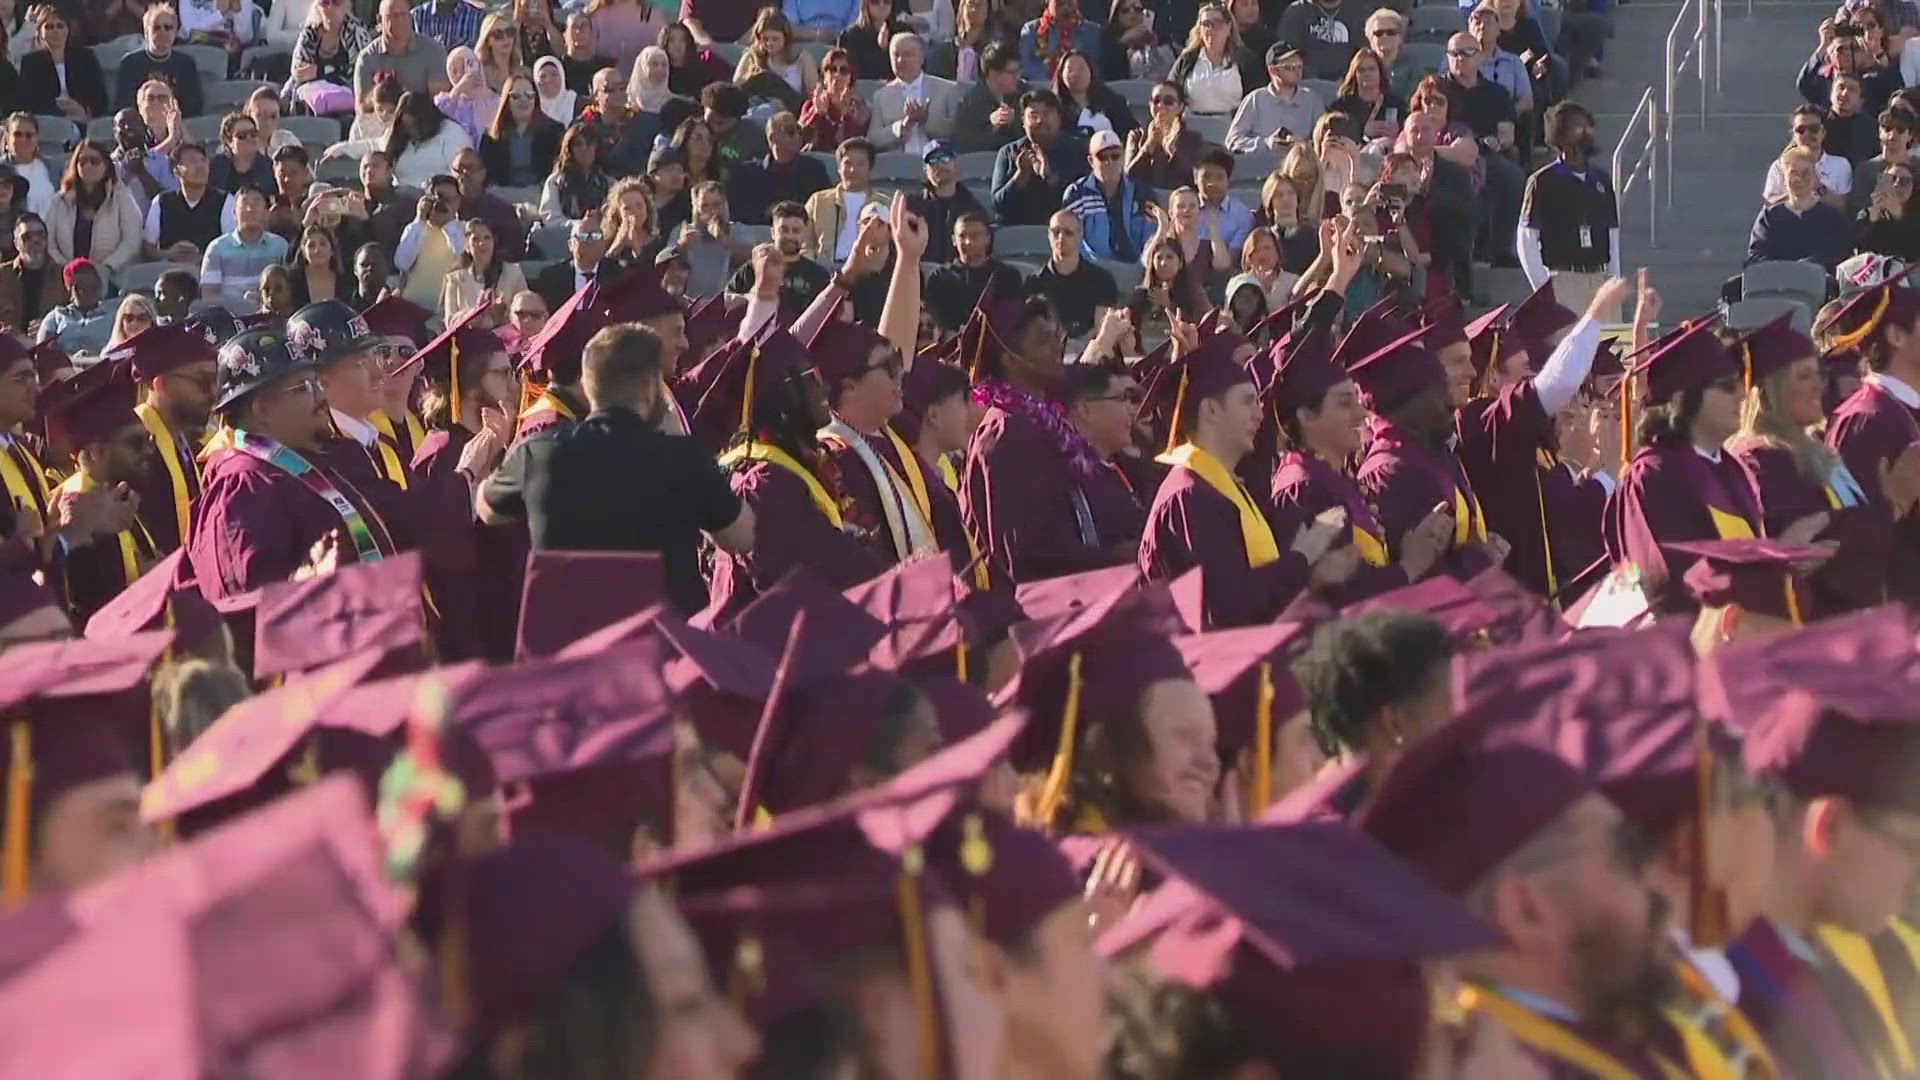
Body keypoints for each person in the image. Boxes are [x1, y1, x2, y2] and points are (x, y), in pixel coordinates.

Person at [480, 323, 749, 616]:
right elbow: (741, 537)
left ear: (588, 385)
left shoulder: (539, 452)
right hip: (657, 643)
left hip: (571, 644)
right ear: (649, 388)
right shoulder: (685, 458)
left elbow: (488, 508)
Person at [1138, 324, 1349, 628]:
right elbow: (1229, 608)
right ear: (1211, 410)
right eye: (1248, 401)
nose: (1260, 415)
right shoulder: (1190, 496)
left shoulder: (1221, 486)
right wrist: (1302, 555)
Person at [186, 324, 407, 599]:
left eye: (317, 383)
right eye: (303, 388)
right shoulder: (244, 488)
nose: (322, 397)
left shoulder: (308, 467)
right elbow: (251, 604)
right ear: (261, 408)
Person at [962, 292, 1143, 583]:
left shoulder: (1047, 423)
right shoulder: (1008, 435)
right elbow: (1027, 554)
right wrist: (1118, 558)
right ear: (1010, 358)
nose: (1058, 345)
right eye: (1042, 340)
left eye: (1055, 334)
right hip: (1034, 613)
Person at [48, 370, 156, 623]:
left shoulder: (115, 495)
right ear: (96, 452)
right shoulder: (74, 510)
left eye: (149, 441)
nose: (149, 451)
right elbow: (91, 609)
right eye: (136, 444)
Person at [1518, 102, 1621, 319]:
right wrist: (1543, 288)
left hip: (1599, 279)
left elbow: (1612, 234)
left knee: (1609, 350)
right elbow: (1526, 238)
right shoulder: (1542, 181)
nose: (1585, 132)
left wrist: (1613, 279)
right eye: (1577, 127)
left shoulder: (1600, 179)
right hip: (1563, 280)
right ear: (1560, 134)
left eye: (1587, 126)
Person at [1439, 33, 1523, 267]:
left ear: (1479, 57)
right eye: (1454, 53)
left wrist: (1497, 142)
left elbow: (1507, 134)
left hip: (1485, 153)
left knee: (1511, 176)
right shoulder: (1436, 90)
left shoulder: (1496, 93)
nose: (1459, 59)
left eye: (1466, 52)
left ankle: (1503, 248)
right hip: (1445, 154)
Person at [46, 142, 142, 283]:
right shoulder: (59, 201)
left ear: (107, 165)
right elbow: (49, 242)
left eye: (94, 161)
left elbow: (131, 241)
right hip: (66, 277)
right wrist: (66, 267)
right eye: (82, 161)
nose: (88, 166)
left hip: (111, 278)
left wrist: (106, 267)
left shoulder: (122, 198)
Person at [1747, 146, 1855, 271]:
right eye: (1793, 173)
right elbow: (1756, 255)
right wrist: (1783, 269)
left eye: (1806, 173)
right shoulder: (1769, 217)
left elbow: (1837, 255)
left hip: (1819, 286)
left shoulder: (1831, 218)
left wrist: (1803, 268)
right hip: (1776, 284)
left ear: (1816, 176)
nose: (1799, 179)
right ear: (1784, 178)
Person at [992, 89, 1088, 227]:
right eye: (1033, 115)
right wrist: (1020, 177)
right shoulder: (1008, 153)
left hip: (1063, 232)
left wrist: (1049, 176)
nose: (1040, 120)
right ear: (1023, 121)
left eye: (1046, 113)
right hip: (1017, 233)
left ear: (1058, 118)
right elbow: (998, 205)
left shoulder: (1077, 150)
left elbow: (1081, 201)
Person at [728, 200, 834, 322]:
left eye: (796, 231)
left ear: (804, 234)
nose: (790, 236)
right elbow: (728, 301)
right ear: (773, 233)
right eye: (784, 230)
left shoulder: (818, 275)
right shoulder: (753, 268)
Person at [1063, 129, 1154, 265]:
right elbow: (1073, 242)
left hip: (1137, 270)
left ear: (1123, 156)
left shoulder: (1142, 193)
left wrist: (1139, 267)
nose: (1109, 162)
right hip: (1092, 271)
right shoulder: (1077, 193)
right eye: (1102, 157)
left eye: (1115, 156)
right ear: (1091, 161)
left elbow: (1151, 237)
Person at [925, 211, 1023, 333]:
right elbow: (935, 320)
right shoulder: (940, 277)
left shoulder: (1008, 277)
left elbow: (1014, 320)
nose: (968, 242)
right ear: (953, 240)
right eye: (962, 236)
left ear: (988, 239)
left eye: (974, 236)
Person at [868, 31, 959, 155]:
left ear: (921, 58)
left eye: (907, 55)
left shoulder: (947, 89)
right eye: (896, 55)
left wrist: (926, 120)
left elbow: (956, 132)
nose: (900, 60)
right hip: (898, 167)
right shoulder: (881, 96)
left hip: (938, 165)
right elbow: (873, 139)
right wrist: (900, 128)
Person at [1031, 210, 1119, 340]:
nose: (1061, 237)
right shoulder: (1035, 281)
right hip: (1047, 353)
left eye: (1068, 232)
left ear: (1080, 235)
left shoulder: (1102, 279)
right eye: (1056, 232)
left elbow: (1102, 331)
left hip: (1088, 352)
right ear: (1048, 235)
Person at [1225, 43, 1326, 153]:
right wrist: (1267, 143)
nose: (1297, 72)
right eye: (1290, 68)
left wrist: (1303, 145)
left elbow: (1324, 140)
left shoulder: (1313, 101)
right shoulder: (1255, 100)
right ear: (1273, 70)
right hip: (1262, 166)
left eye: (1299, 66)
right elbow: (1233, 140)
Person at [18, 7, 110, 124]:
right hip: (48, 121)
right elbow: (30, 101)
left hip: (83, 118)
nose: (55, 31)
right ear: (40, 32)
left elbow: (99, 97)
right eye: (49, 27)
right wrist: (59, 109)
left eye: (60, 26)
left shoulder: (86, 58)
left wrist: (83, 110)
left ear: (68, 30)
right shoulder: (30, 62)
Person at [199, 184, 288, 301]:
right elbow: (209, 295)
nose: (250, 209)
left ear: (266, 212)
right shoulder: (217, 248)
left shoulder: (280, 246)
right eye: (245, 203)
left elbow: (287, 290)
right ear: (234, 213)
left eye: (256, 203)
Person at [114, 5, 204, 116]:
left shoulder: (186, 64)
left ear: (175, 32)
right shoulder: (130, 63)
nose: (163, 32)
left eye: (168, 27)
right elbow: (124, 104)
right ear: (146, 32)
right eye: (156, 27)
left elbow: (194, 105)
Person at [355, 0, 452, 101]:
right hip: (379, 115)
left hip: (420, 114)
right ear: (380, 20)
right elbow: (362, 107)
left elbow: (439, 102)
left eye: (404, 14)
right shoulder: (367, 58)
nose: (400, 20)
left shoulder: (433, 51)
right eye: (394, 16)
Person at [1168, 2, 1254, 115]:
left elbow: (1255, 100)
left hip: (1232, 126)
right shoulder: (1187, 59)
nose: (1211, 29)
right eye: (1206, 24)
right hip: (1192, 124)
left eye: (1217, 23)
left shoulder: (1244, 59)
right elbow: (1170, 92)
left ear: (1229, 27)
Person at [141, 141, 219, 264]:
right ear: (176, 171)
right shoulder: (162, 202)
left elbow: (230, 247)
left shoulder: (224, 200)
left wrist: (201, 257)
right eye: (193, 162)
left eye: (203, 160)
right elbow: (148, 249)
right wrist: (169, 254)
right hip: (169, 272)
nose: (200, 166)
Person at [291, 0, 372, 117]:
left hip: (350, 106)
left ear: (346, 6)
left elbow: (361, 73)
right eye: (324, 2)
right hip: (311, 105)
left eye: (336, 2)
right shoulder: (309, 33)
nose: (329, 8)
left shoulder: (358, 34)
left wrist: (320, 71)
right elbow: (299, 71)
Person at [732, 8, 817, 113]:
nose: (769, 43)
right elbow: (735, 90)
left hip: (791, 114)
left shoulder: (802, 59)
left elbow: (813, 97)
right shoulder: (751, 56)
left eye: (775, 39)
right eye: (765, 39)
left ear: (786, 37)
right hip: (755, 112)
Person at [1124, 80, 1203, 191]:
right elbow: (1129, 176)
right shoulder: (1136, 136)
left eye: (1168, 102)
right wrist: (1149, 145)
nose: (1161, 106)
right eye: (1156, 101)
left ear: (1180, 107)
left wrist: (1172, 150)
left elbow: (1193, 179)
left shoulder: (1193, 139)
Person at [385, 91, 471, 190]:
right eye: (405, 127)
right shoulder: (397, 136)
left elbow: (461, 175)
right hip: (400, 195)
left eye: (414, 126)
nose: (410, 131)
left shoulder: (452, 133)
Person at [530, 214, 616, 311]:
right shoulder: (550, 278)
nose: (589, 241)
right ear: (570, 245)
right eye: (583, 236)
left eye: (596, 236)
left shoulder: (618, 276)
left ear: (604, 243)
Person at [954, 42, 1025, 154]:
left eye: (1018, 71)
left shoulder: (1026, 95)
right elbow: (963, 145)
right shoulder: (970, 103)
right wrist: (992, 128)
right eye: (1012, 72)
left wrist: (1016, 121)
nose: (1018, 77)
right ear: (993, 73)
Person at [36, 257, 115, 356]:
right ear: (70, 290)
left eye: (94, 284)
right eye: (82, 286)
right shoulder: (56, 318)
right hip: (65, 368)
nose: (92, 290)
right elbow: (43, 353)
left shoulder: (113, 318)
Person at [798, 46, 871, 151]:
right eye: (832, 69)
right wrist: (818, 114)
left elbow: (852, 144)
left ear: (851, 78)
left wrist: (845, 114)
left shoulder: (861, 108)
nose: (837, 75)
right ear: (824, 78)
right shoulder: (809, 106)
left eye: (844, 70)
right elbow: (800, 140)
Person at [538, 123, 613, 224]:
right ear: (569, 149)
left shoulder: (609, 183)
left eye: (590, 143)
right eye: (578, 144)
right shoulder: (555, 182)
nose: (584, 149)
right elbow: (550, 218)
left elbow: (614, 218)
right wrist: (580, 226)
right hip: (565, 235)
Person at [1277, 0, 1369, 81]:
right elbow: (1288, 55)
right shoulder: (1297, 12)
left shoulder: (1360, 12)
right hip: (1306, 86)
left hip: (1348, 86)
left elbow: (1364, 55)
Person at [0, 214, 59, 334]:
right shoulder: (2, 275)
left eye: (40, 235)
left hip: (51, 344)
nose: (35, 240)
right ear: (16, 244)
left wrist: (48, 326)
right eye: (27, 236)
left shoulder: (63, 276)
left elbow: (75, 318)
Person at [1849, 108, 1911, 217]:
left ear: (1910, 135)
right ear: (1879, 132)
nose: (1892, 135)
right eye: (1888, 129)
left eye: (1900, 130)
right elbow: (1856, 210)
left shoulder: (1916, 168)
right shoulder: (1865, 170)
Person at [1021, 0, 1099, 83]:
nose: (1066, 8)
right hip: (1042, 89)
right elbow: (1025, 66)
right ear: (1048, 3)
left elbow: (1097, 68)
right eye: (1060, 4)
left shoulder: (1093, 32)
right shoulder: (1032, 30)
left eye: (1070, 3)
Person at [1, 114, 54, 218]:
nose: (23, 140)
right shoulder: (1, 168)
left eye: (29, 135)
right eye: (17, 134)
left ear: (37, 138)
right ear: (7, 137)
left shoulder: (53, 167)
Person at [836, 0, 903, 79]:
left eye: (887, 1)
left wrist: (886, 48)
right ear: (866, 5)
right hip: (863, 87)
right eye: (875, 2)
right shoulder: (850, 36)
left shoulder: (903, 32)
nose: (881, 5)